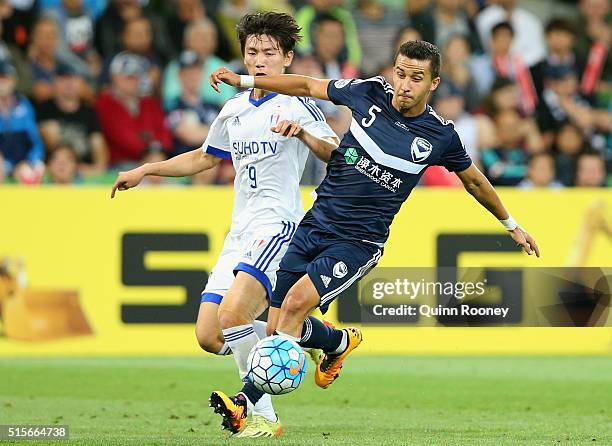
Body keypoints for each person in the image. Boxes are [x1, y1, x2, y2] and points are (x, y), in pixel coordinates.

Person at [209, 39, 540, 430]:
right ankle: (336, 342)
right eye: (400, 73)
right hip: (315, 224)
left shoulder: (439, 137)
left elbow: (475, 182)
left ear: (433, 83)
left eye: (416, 78)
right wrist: (245, 79)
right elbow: (306, 86)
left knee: (295, 306)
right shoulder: (367, 93)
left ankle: (244, 403)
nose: (404, 85)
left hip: (357, 243)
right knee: (276, 327)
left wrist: (511, 225)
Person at [110, 12, 339, 438]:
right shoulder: (233, 108)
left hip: (279, 224)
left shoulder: (297, 104)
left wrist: (305, 136)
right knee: (210, 334)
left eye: (269, 53)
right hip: (241, 229)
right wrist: (148, 168)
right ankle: (326, 339)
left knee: (234, 312)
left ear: (287, 58)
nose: (259, 61)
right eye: (252, 52)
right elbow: (204, 157)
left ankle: (261, 415)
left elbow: (334, 152)